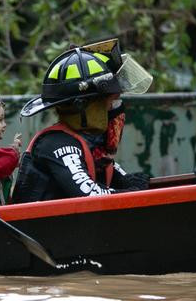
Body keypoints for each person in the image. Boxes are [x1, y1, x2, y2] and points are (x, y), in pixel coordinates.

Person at [12, 39, 153, 203]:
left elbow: (125, 181)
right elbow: (90, 195)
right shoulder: (58, 144)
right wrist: (131, 192)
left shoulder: (92, 148)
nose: (114, 111)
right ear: (83, 106)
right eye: (109, 103)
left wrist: (133, 184)